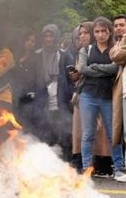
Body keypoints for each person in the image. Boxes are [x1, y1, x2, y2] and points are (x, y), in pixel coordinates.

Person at [77, 17, 122, 176]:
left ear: (109, 32)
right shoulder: (86, 50)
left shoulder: (115, 49)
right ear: (93, 33)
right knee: (88, 134)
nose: (100, 34)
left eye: (104, 31)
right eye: (97, 31)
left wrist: (94, 67)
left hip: (108, 97)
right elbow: (82, 68)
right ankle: (87, 169)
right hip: (88, 96)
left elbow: (114, 68)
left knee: (113, 134)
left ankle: (118, 169)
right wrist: (102, 69)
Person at [34, 24, 75, 160]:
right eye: (45, 35)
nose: (48, 39)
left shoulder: (65, 56)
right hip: (42, 101)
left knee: (64, 133)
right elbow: (31, 78)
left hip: (61, 101)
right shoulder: (37, 56)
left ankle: (66, 166)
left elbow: (72, 78)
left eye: (51, 35)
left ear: (56, 36)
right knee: (45, 134)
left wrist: (68, 94)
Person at [11, 30, 46, 137]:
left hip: (29, 95)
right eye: (28, 40)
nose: (30, 43)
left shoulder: (37, 58)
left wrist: (33, 93)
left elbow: (40, 78)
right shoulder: (15, 57)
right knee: (14, 122)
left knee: (26, 122)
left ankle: (29, 147)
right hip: (14, 94)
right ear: (23, 41)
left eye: (33, 41)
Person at [110, 14, 126, 182]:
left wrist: (120, 46)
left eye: (122, 25)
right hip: (123, 92)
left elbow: (115, 56)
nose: (119, 28)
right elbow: (114, 54)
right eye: (116, 26)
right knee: (124, 132)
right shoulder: (119, 44)